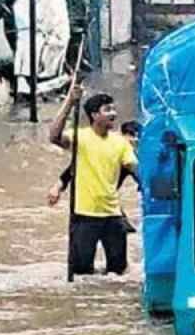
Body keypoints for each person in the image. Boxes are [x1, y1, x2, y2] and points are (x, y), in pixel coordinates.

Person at [49, 88, 138, 275]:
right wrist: (69, 103)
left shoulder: (121, 143)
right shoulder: (80, 137)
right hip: (84, 216)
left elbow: (136, 170)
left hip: (113, 216)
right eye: (107, 109)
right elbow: (54, 137)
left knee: (118, 273)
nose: (113, 113)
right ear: (94, 115)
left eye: (113, 109)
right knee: (81, 274)